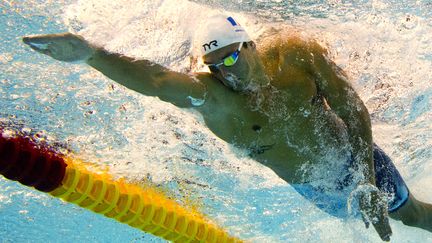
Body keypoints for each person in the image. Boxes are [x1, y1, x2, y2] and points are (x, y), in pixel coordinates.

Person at [22, 14, 432, 241]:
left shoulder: (296, 57)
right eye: (216, 68)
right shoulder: (216, 99)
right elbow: (158, 82)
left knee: (410, 215)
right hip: (314, 190)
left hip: (355, 160)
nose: (227, 74)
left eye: (232, 60)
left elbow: (353, 109)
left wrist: (364, 180)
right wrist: (91, 54)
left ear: (250, 45)